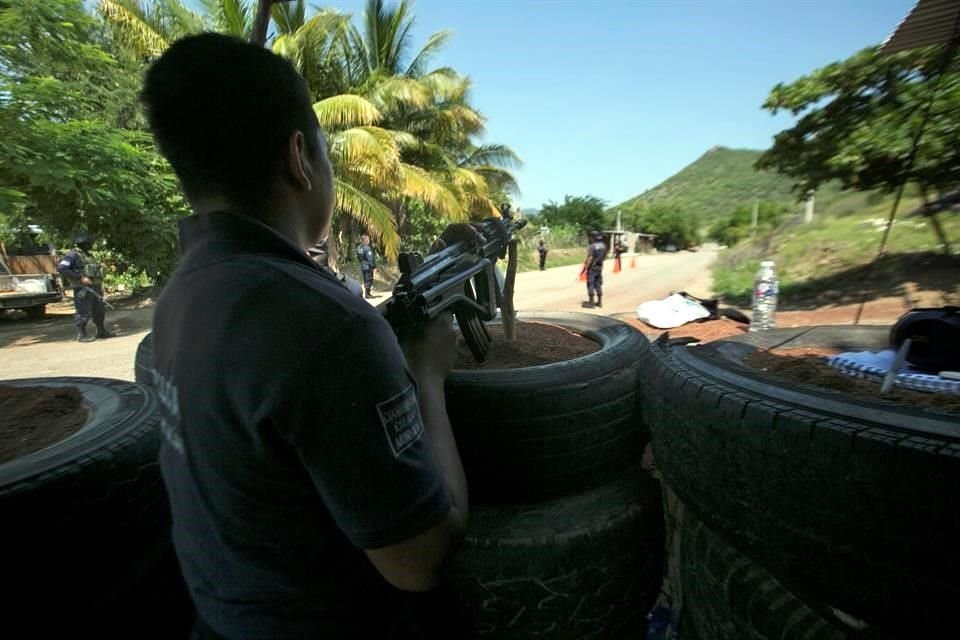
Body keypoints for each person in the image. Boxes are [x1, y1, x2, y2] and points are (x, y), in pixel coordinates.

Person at [140, 32, 469, 639]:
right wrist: (427, 378)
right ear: (300, 157)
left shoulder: (180, 295)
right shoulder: (327, 327)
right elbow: (419, 561)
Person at [57, 231, 112, 342]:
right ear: (84, 243)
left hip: (95, 287)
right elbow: (62, 269)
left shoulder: (88, 255)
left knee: (99, 311)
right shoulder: (72, 255)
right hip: (83, 288)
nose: (91, 245)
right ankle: (82, 334)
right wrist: (79, 277)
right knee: (83, 312)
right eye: (89, 243)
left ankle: (101, 331)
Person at [582, 231, 607, 308]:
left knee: (590, 284)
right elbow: (605, 257)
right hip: (599, 267)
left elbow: (590, 258)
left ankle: (591, 302)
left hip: (592, 268)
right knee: (598, 284)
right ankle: (599, 302)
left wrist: (586, 267)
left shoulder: (592, 246)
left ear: (592, 237)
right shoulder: (603, 246)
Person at [356, 233, 376, 298]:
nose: (369, 240)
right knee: (369, 279)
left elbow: (358, 257)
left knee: (366, 279)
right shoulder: (367, 248)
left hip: (363, 266)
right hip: (368, 266)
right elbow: (370, 258)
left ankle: (368, 293)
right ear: (365, 240)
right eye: (368, 239)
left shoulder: (359, 247)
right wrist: (373, 267)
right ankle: (367, 294)